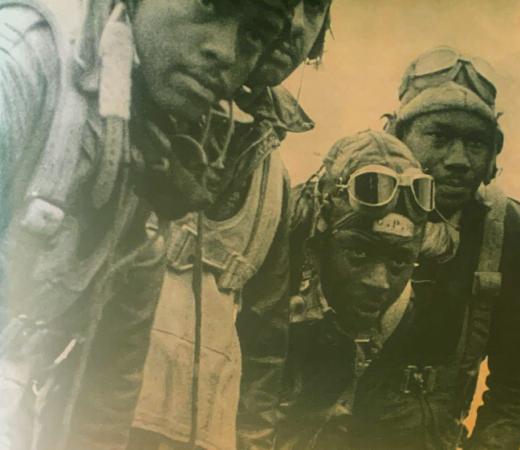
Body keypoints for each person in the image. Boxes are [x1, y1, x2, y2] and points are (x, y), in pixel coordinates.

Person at [0, 1, 295, 449]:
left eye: (255, 33)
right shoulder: (20, 69)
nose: (226, 51)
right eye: (209, 5)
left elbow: (103, 407)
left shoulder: (148, 154)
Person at [126, 1, 333, 450]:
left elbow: (265, 337)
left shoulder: (273, 178)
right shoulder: (135, 106)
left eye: (315, 7)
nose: (296, 24)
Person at [353, 46, 520, 450]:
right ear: (399, 138)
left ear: (494, 155)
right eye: (439, 137)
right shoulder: (349, 205)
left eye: (476, 142)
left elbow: (518, 386)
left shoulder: (508, 230)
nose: (458, 160)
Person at [275, 130, 434, 449]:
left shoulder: (415, 319)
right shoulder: (267, 287)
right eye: (359, 254)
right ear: (319, 242)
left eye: (399, 261)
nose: (380, 282)